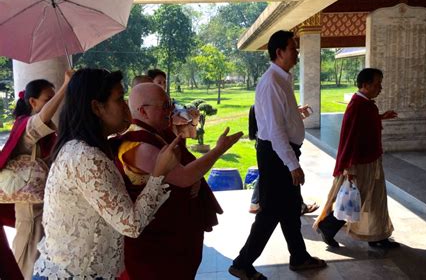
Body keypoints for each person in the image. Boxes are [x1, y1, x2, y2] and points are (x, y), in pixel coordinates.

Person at [32, 69, 179, 279]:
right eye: (119, 99)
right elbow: (131, 224)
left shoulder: (83, 149)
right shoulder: (86, 158)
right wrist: (159, 173)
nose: (126, 106)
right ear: (96, 107)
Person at [116, 82, 242, 279]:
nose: (170, 111)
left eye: (170, 104)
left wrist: (196, 178)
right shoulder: (138, 144)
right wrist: (218, 150)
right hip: (156, 243)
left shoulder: (156, 133)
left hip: (174, 232)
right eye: (165, 106)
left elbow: (184, 166)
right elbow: (183, 178)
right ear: (143, 111)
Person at [229, 30, 326, 280]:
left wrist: (296, 114)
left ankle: (299, 256)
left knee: (291, 207)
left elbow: (282, 117)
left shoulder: (282, 78)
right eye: (293, 48)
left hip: (281, 152)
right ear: (279, 52)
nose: (297, 52)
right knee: (271, 211)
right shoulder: (272, 82)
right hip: (276, 155)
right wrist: (292, 164)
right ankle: (242, 263)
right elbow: (275, 131)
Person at [314, 68, 399, 249]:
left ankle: (378, 235)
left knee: (376, 198)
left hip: (371, 159)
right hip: (359, 163)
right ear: (365, 85)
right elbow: (352, 138)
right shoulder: (358, 106)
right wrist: (349, 168)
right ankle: (327, 227)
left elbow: (365, 126)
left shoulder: (365, 105)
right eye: (377, 84)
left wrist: (381, 117)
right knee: (355, 199)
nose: (380, 87)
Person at [0, 72, 72, 279]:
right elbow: (44, 116)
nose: (53, 104)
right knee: (27, 258)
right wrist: (65, 85)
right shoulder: (28, 125)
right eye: (47, 99)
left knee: (39, 258)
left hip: (43, 204)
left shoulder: (38, 127)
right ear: (32, 101)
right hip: (30, 208)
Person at [247, 105, 319, 215]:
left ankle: (256, 203)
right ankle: (298, 206)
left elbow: (280, 124)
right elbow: (278, 128)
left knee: (268, 174)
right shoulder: (267, 111)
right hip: (277, 150)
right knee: (291, 177)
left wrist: (296, 115)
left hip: (272, 148)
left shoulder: (261, 111)